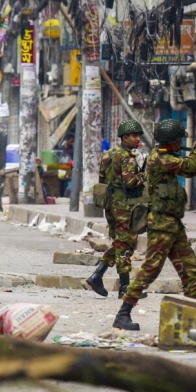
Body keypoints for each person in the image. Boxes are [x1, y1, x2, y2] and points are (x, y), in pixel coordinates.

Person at [113, 119, 196, 331]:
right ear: (171, 142)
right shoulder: (159, 159)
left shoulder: (169, 157)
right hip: (160, 225)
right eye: (179, 140)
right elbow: (189, 165)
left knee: (190, 269)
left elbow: (188, 169)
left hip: (173, 224)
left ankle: (195, 314)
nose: (180, 143)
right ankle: (123, 314)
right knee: (150, 270)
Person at [86, 120, 146, 298]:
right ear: (125, 137)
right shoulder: (127, 156)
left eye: (138, 136)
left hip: (110, 203)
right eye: (134, 136)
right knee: (125, 244)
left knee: (122, 242)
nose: (137, 139)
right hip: (123, 205)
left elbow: (102, 178)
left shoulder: (108, 154)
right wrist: (145, 174)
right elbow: (130, 182)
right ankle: (124, 288)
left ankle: (98, 275)